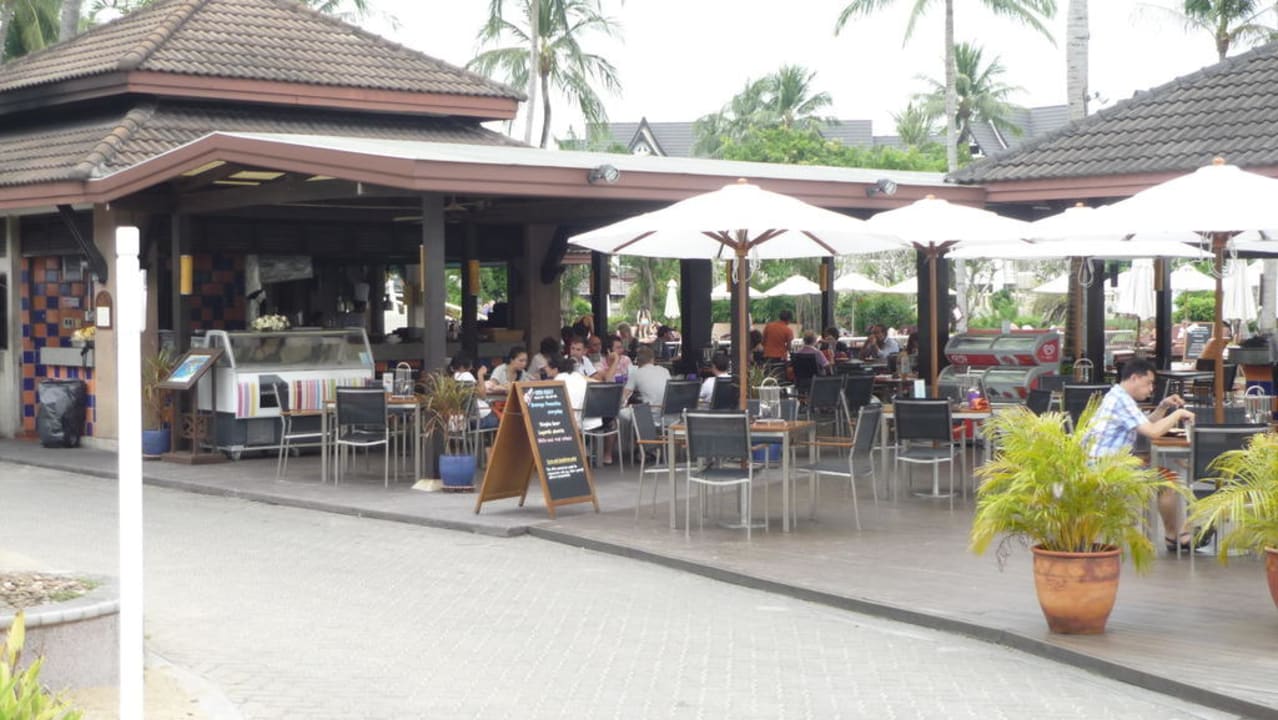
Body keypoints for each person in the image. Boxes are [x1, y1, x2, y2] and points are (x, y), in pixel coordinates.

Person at [1081, 357, 1198, 553]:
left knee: (1166, 476)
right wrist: (1177, 414)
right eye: (1149, 383)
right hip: (1105, 469)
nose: (1151, 389)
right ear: (1134, 378)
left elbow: (1144, 424)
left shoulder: (1118, 396)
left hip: (1103, 464)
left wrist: (1163, 407)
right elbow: (1152, 432)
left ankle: (1176, 535)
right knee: (1168, 482)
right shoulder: (1121, 400)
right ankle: (1175, 536)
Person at [546, 355, 614, 464]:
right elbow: (598, 384)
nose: (545, 369)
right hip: (590, 417)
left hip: (571, 420)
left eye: (547, 367)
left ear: (555, 369)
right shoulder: (578, 376)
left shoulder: (557, 381)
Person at [620, 346, 672, 460]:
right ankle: (645, 447)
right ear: (653, 359)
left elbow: (624, 396)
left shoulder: (636, 373)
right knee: (638, 410)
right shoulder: (665, 370)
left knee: (623, 413)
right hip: (669, 414)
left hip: (650, 415)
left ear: (637, 361)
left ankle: (641, 448)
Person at [448, 352, 497, 430]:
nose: (471, 368)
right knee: (502, 420)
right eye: (470, 366)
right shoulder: (466, 375)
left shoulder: (452, 379)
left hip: (461, 419)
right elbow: (483, 395)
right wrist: (480, 375)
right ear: (462, 367)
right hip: (478, 418)